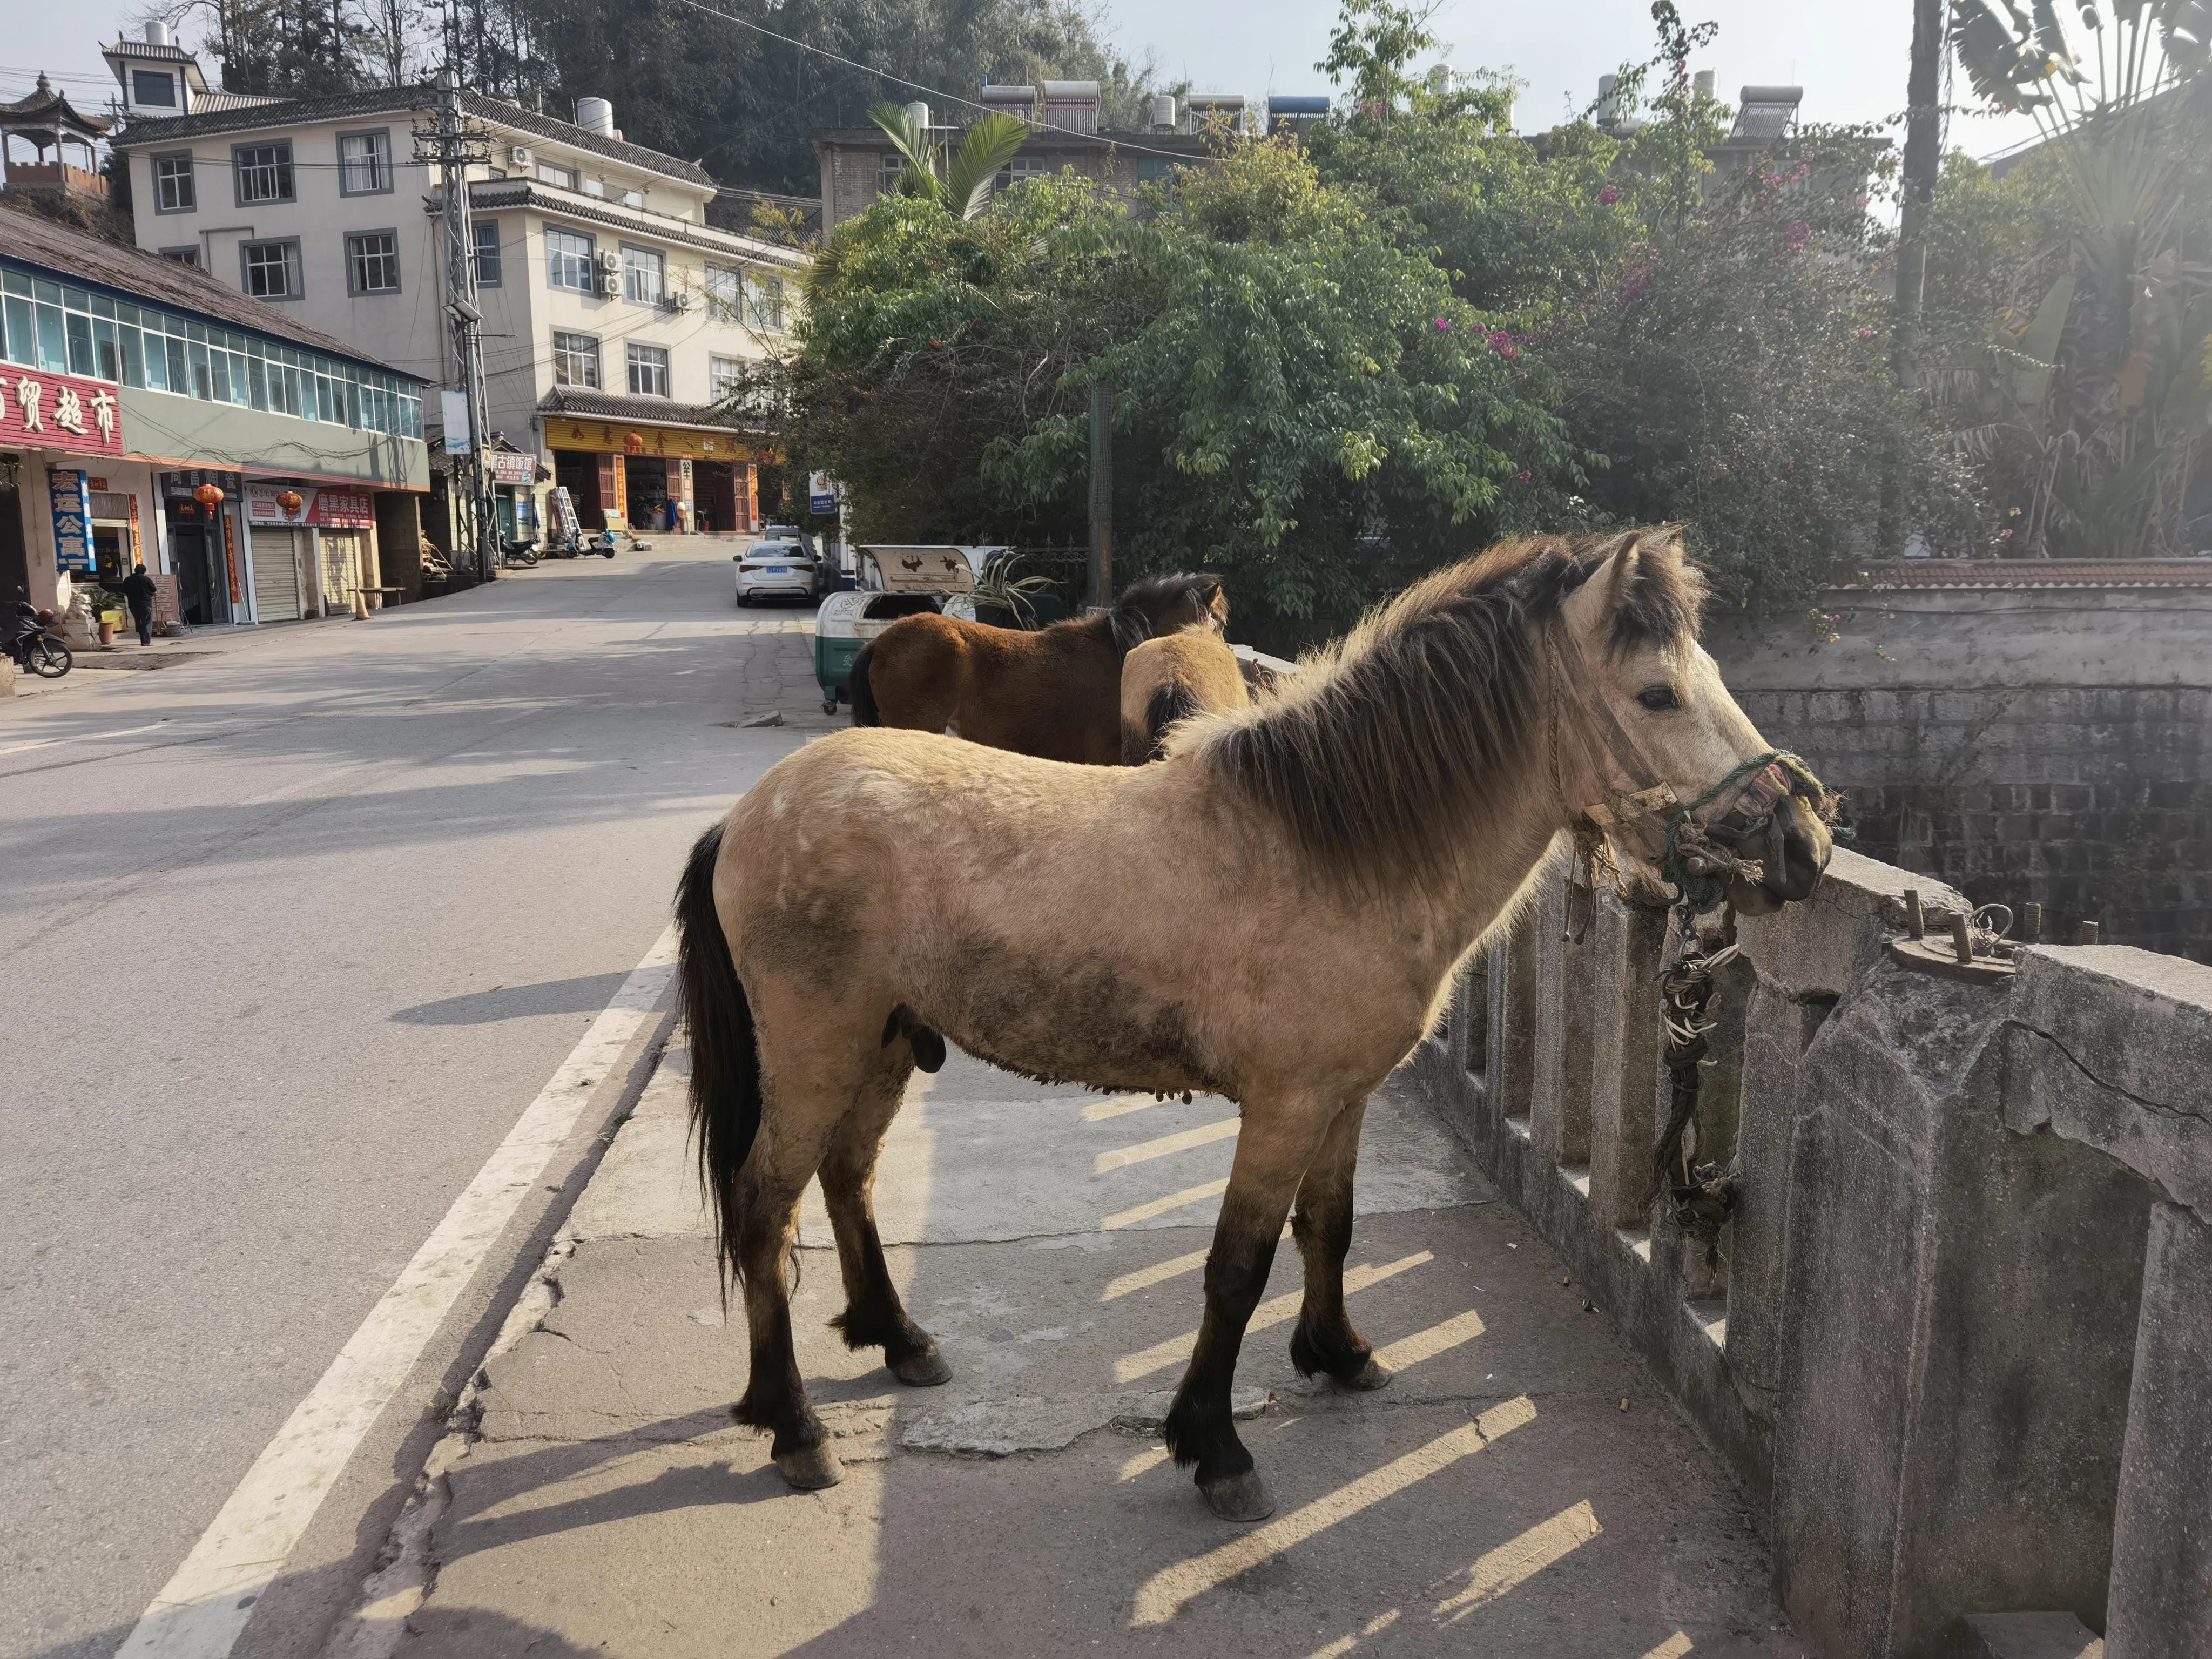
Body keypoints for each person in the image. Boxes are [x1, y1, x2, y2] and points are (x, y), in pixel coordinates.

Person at [119, 562, 157, 646]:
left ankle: (142, 639)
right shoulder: (146, 579)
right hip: (146, 604)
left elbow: (123, 592)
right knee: (147, 622)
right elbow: (154, 590)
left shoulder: (128, 580)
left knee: (139, 621)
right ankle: (146, 641)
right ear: (144, 571)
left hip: (133, 604)